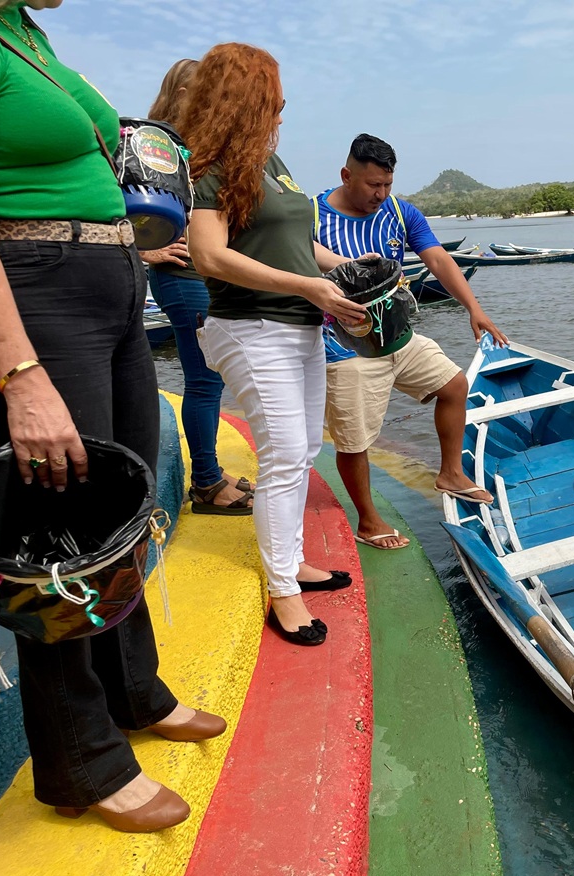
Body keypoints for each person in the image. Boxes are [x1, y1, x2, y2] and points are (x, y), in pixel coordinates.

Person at [0, 0, 224, 833]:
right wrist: (21, 375)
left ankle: (134, 692)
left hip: (108, 286)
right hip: (38, 293)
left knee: (124, 512)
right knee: (63, 531)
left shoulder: (24, 32)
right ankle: (83, 762)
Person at [183, 43, 371, 645]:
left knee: (302, 450)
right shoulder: (204, 167)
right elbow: (210, 255)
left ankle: (291, 562)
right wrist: (307, 286)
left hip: (299, 326)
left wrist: (342, 266)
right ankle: (282, 589)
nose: (282, 117)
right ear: (242, 102)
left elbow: (295, 241)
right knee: (285, 454)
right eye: (275, 104)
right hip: (249, 326)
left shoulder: (271, 161)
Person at [314, 134, 507, 549]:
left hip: (399, 335)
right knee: (355, 439)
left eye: (387, 185)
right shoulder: (312, 214)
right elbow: (293, 253)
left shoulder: (400, 213)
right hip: (342, 344)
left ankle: (450, 473)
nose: (380, 194)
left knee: (455, 385)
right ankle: (368, 521)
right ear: (346, 175)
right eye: (371, 186)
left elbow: (437, 258)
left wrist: (473, 307)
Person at [138, 58, 253, 515]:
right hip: (184, 277)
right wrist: (144, 250)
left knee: (208, 380)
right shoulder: (157, 144)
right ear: (186, 93)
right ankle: (206, 484)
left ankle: (210, 470)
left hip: (193, 277)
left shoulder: (184, 145)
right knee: (205, 383)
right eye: (211, 92)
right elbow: (115, 204)